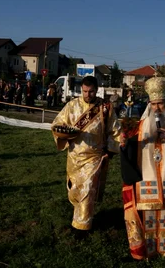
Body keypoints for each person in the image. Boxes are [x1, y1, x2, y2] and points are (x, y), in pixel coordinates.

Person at [119, 76, 165, 260]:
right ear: (149, 105)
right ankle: (148, 252)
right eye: (154, 104)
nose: (157, 108)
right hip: (146, 181)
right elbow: (130, 148)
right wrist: (125, 145)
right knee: (147, 216)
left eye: (161, 104)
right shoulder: (140, 127)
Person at [51, 76, 121, 235]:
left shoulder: (105, 108)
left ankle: (82, 227)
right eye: (84, 91)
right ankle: (80, 217)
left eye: (90, 92)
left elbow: (115, 130)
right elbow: (58, 123)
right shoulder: (72, 105)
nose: (87, 95)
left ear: (97, 90)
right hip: (74, 156)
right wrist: (63, 132)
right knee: (75, 190)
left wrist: (110, 151)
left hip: (94, 157)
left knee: (88, 190)